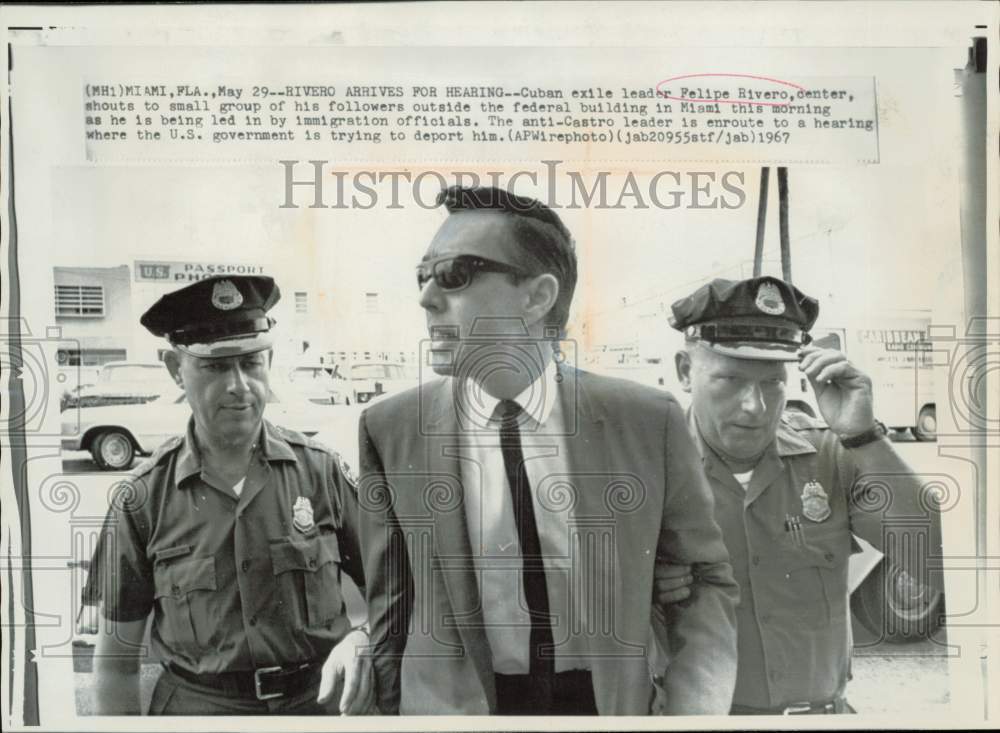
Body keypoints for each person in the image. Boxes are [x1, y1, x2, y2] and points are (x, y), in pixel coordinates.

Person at [357, 186, 740, 715]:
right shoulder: (390, 426)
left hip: (603, 706)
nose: (426, 298)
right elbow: (390, 610)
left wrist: (692, 714)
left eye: (454, 275)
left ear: (537, 297)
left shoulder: (648, 420)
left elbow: (703, 585)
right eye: (423, 276)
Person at [654, 276, 943, 715]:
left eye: (772, 383)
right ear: (684, 371)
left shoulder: (833, 455)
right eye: (730, 379)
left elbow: (939, 564)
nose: (755, 406)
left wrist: (864, 438)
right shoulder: (652, 470)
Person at [90, 275, 373, 715]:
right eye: (216, 366)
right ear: (174, 369)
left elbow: (398, 589)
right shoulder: (141, 499)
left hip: (317, 708)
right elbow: (115, 667)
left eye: (251, 363)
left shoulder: (322, 472)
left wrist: (364, 637)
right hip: (198, 712)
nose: (239, 385)